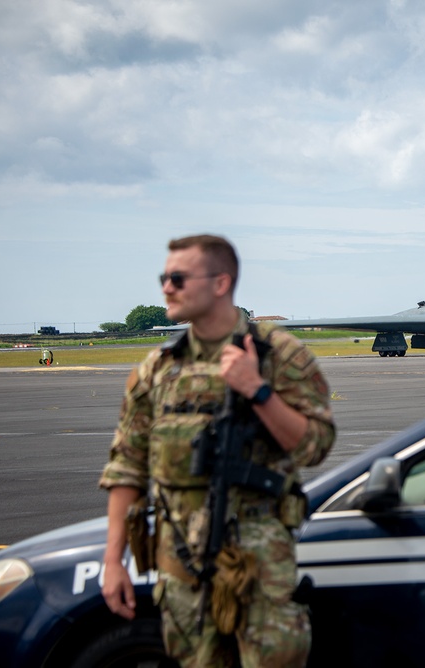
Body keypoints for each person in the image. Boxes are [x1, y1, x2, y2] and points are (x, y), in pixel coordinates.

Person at [99, 234, 335, 668]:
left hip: (260, 566)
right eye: (164, 278)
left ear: (221, 283)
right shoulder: (158, 369)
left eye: (177, 278)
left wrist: (257, 391)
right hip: (182, 570)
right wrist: (113, 561)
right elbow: (127, 468)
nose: (166, 288)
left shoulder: (280, 356)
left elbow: (315, 446)